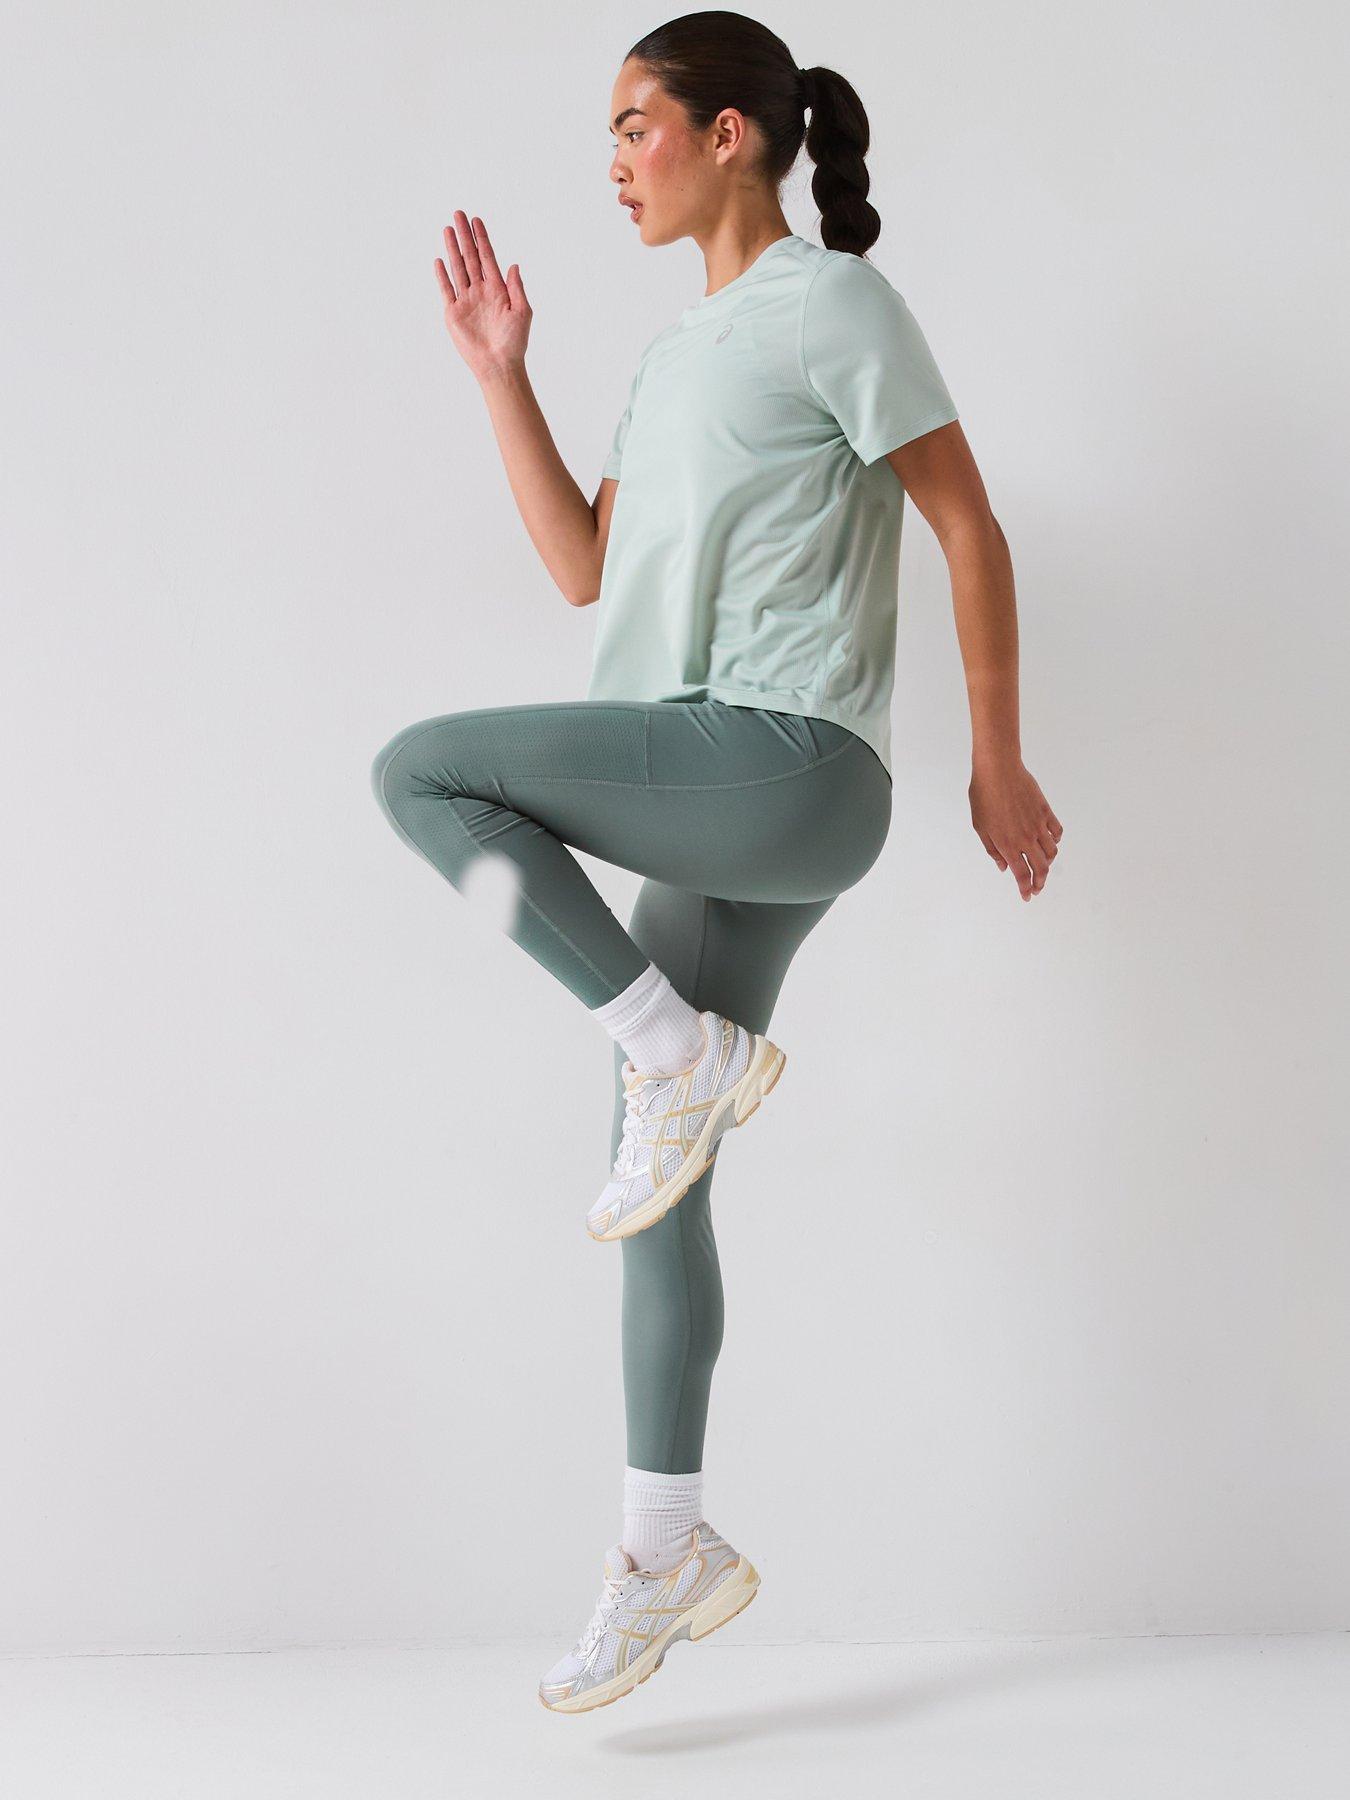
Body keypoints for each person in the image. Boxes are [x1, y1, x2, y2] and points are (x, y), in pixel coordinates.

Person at [370, 11, 1062, 1715]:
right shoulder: (672, 356)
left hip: (783, 761)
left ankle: (674, 1050)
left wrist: (994, 757)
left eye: (634, 126)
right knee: (653, 1175)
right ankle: (661, 1547)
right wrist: (499, 374)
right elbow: (583, 570)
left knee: (422, 773)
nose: (613, 162)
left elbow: (966, 522)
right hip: (708, 783)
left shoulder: (832, 303)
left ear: (730, 132)